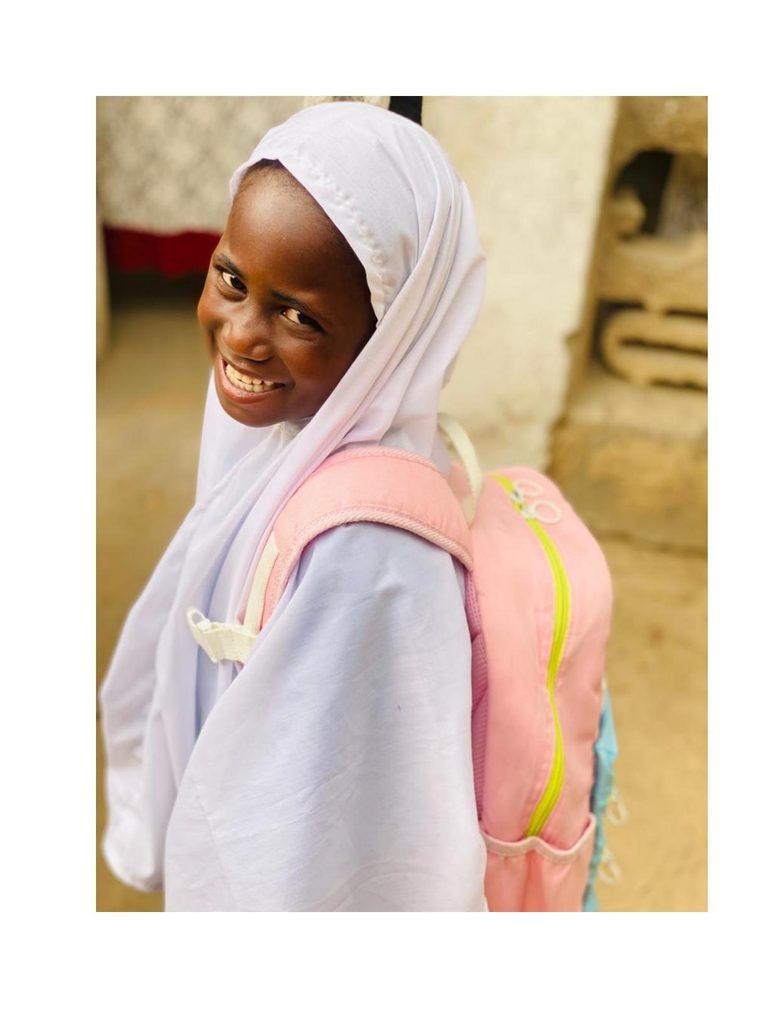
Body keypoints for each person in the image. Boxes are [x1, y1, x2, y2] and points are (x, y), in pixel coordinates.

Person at [100, 101, 489, 911]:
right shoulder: (295, 440)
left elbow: (301, 838)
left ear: (389, 337)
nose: (241, 334)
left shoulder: (364, 555)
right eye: (231, 279)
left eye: (300, 315)